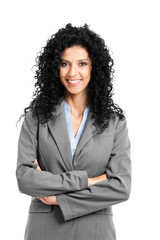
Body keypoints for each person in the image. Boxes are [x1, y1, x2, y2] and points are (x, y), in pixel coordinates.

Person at [16, 23, 131, 240]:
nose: (72, 72)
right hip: (44, 229)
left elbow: (121, 187)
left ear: (93, 68)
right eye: (64, 64)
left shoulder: (115, 123)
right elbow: (25, 179)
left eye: (82, 63)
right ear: (54, 67)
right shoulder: (36, 118)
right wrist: (87, 180)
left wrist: (59, 199)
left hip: (95, 230)